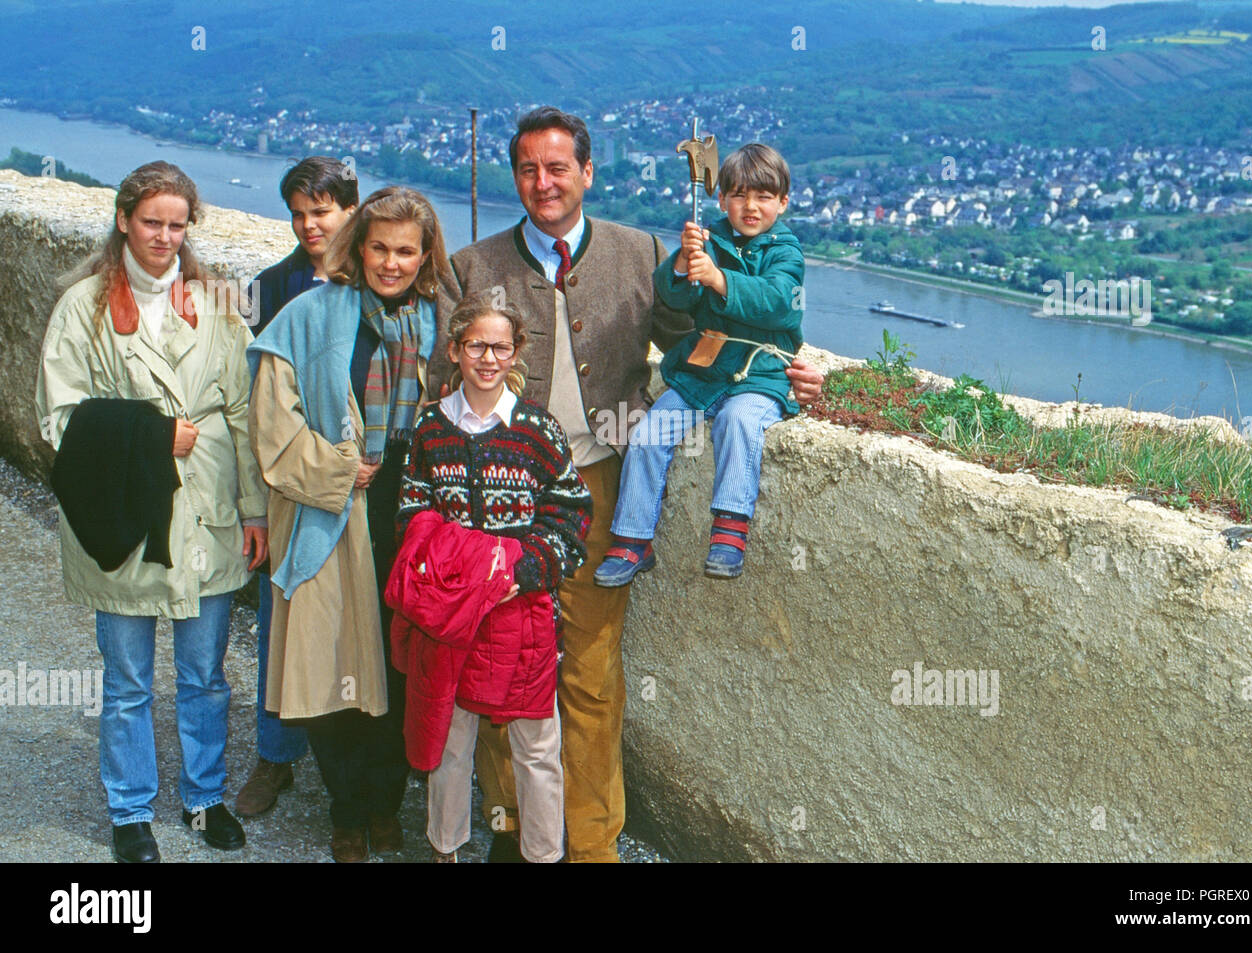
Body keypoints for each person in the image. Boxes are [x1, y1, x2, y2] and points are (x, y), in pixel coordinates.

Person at [432, 106, 824, 862]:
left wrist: (793, 369)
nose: (542, 183)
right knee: (495, 666)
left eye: (557, 168)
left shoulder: (637, 250)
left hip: (598, 482)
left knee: (590, 669)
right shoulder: (473, 267)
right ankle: (511, 829)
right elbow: (440, 387)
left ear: (587, 172)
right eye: (527, 169)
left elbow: (705, 343)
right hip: (498, 498)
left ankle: (591, 841)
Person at [35, 160, 267, 863]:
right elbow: (58, 418)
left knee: (206, 671)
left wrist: (253, 507)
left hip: (207, 508)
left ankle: (204, 795)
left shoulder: (215, 303)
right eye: (151, 222)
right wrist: (154, 435)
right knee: (128, 675)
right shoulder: (83, 307)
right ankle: (129, 807)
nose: (164, 236)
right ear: (123, 221)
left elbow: (241, 410)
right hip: (128, 514)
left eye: (176, 224)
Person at [247, 185, 455, 862]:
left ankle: (386, 800)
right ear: (357, 247)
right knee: (333, 662)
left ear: (425, 255)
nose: (390, 263)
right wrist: (337, 471)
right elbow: (270, 424)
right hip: (336, 507)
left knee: (399, 669)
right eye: (378, 247)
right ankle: (344, 804)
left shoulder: (441, 323)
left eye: (405, 250)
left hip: (413, 512)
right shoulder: (311, 315)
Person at [395, 294, 591, 863]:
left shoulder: (536, 428)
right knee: (449, 739)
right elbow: (414, 511)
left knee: (536, 745)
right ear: (454, 350)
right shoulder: (431, 427)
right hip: (451, 615)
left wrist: (527, 571)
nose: (488, 358)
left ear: (516, 353)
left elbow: (572, 509)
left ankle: (543, 855)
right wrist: (449, 572)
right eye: (476, 345)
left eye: (500, 346)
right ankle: (445, 848)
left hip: (520, 611)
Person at [595, 143, 802, 584]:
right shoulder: (709, 239)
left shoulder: (787, 251)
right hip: (703, 370)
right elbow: (675, 298)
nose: (750, 206)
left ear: (783, 202)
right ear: (721, 198)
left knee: (739, 421)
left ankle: (730, 527)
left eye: (764, 197)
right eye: (739, 195)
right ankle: (633, 539)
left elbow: (778, 302)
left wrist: (719, 278)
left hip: (758, 371)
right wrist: (683, 263)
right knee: (650, 431)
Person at [235, 156, 358, 820]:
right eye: (301, 212)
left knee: (362, 621)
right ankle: (275, 754)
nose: (312, 224)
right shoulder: (267, 288)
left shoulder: (379, 276)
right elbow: (245, 403)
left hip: (362, 484)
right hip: (288, 484)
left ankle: (366, 763)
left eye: (323, 210)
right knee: (279, 620)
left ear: (349, 209)